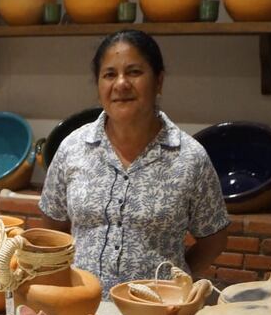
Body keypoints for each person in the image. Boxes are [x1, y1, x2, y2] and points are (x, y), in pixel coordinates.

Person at [39, 29, 230, 296]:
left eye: (134, 72)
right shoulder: (73, 148)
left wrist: (175, 285)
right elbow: (52, 228)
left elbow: (214, 238)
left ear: (159, 81)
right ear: (98, 86)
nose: (120, 84)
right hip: (83, 311)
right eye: (109, 74)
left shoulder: (189, 157)